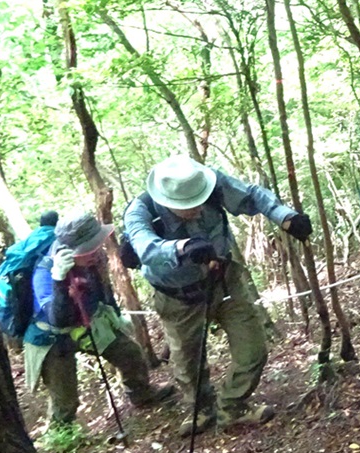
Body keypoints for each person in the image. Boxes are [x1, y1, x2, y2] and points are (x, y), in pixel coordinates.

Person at [124, 154, 312, 436]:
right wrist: (182, 248)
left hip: (225, 281)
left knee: (253, 350)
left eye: (199, 200)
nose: (197, 208)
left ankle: (232, 407)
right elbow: (145, 249)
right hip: (177, 297)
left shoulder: (209, 182)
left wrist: (285, 217)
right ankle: (201, 408)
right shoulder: (140, 210)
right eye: (187, 205)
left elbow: (251, 195)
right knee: (187, 364)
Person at [24, 210, 175, 426]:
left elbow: (103, 290)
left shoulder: (93, 260)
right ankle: (63, 434)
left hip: (89, 322)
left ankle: (141, 394)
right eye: (90, 248)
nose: (96, 251)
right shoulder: (44, 274)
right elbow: (58, 319)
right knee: (65, 400)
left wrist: (114, 315)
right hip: (52, 337)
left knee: (129, 354)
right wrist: (59, 281)